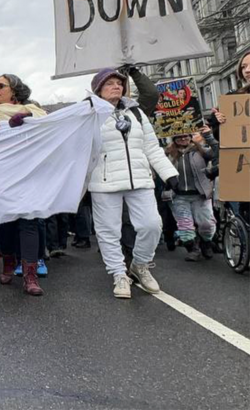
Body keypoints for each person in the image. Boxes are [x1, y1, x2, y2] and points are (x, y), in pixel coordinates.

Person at [88, 68, 179, 299]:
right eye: (109, 83)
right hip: (104, 182)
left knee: (151, 225)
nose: (116, 86)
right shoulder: (88, 113)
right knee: (108, 231)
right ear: (98, 89)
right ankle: (119, 274)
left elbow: (151, 147)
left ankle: (140, 265)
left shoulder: (136, 113)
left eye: (119, 83)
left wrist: (169, 173)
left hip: (139, 179)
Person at [0, 74, 48, 296]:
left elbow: (47, 122)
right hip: (1, 175)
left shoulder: (33, 110)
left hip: (27, 174)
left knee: (29, 221)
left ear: (14, 90)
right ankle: (8, 263)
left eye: (1, 86)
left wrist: (27, 116)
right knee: (6, 222)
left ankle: (30, 275)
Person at [164, 128, 218, 261]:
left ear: (190, 136)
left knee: (207, 224)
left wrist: (208, 136)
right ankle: (193, 249)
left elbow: (217, 152)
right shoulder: (168, 153)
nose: (183, 139)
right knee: (185, 225)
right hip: (179, 196)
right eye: (179, 137)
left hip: (200, 195)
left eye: (185, 136)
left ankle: (206, 243)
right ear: (174, 139)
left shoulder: (200, 150)